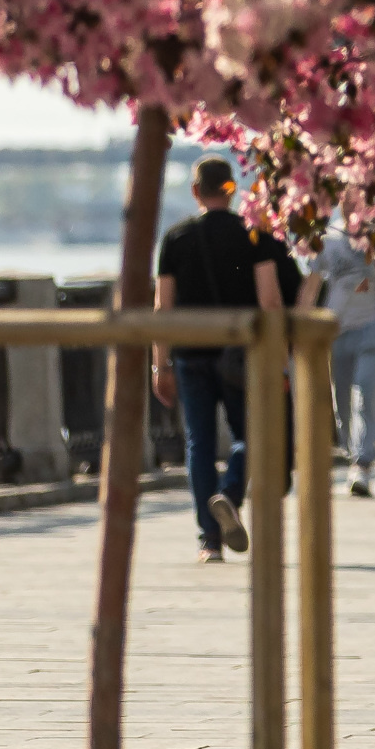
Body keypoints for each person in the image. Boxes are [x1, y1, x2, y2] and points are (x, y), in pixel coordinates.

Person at [151, 158, 290, 564]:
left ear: (196, 191)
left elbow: (163, 306)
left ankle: (209, 541)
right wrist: (280, 357)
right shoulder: (253, 235)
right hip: (241, 354)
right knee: (253, 436)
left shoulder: (175, 238)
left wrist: (159, 364)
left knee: (199, 442)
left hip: (191, 353)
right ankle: (228, 494)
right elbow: (270, 300)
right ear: (232, 190)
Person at [299, 226, 375, 498]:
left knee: (366, 393)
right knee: (343, 402)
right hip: (335, 331)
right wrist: (301, 328)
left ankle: (362, 462)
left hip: (373, 329)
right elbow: (310, 288)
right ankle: (352, 454)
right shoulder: (328, 240)